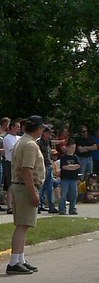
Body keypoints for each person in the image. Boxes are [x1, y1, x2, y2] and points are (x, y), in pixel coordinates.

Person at [7, 116, 46, 274]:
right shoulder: (29, 145)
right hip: (24, 187)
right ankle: (14, 262)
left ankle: (20, 259)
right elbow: (26, 170)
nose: (43, 130)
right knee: (22, 225)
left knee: (25, 224)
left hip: (22, 187)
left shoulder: (23, 141)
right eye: (42, 127)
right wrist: (33, 193)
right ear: (37, 128)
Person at [36, 125, 58, 214]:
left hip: (49, 166)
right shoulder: (39, 143)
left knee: (49, 187)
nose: (50, 135)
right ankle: (37, 205)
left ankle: (51, 206)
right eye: (48, 133)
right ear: (44, 133)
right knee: (41, 187)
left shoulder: (48, 143)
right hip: (42, 166)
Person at [57, 141, 81, 215]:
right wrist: (72, 167)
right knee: (63, 194)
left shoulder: (75, 157)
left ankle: (72, 209)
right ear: (67, 147)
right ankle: (62, 209)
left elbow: (78, 166)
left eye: (74, 148)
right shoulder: (64, 157)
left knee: (74, 194)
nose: (73, 149)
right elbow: (64, 167)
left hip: (73, 179)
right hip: (65, 179)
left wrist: (70, 167)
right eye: (72, 147)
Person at [4, 118, 22, 214]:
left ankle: (17, 205)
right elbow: (13, 150)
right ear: (11, 127)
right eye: (17, 127)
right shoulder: (7, 138)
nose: (18, 129)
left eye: (19, 127)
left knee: (17, 184)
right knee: (11, 185)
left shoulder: (19, 138)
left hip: (19, 163)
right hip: (10, 162)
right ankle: (9, 206)